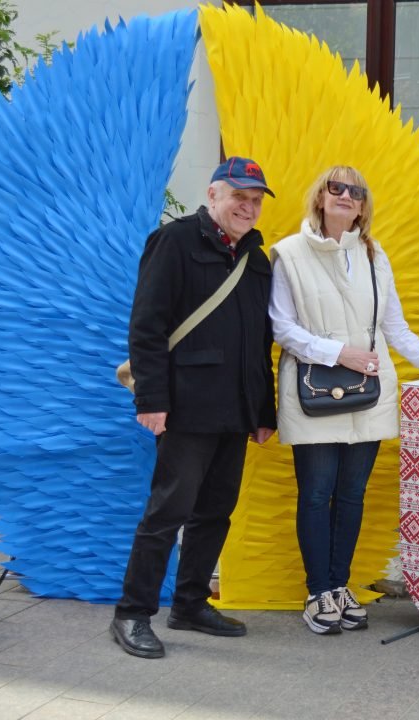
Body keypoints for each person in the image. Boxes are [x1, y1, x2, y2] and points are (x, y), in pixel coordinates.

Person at [269, 165, 419, 635]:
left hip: (367, 389)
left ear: (363, 205)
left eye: (356, 191)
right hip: (314, 388)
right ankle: (317, 590)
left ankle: (340, 585)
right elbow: (281, 326)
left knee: (351, 494)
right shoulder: (288, 253)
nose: (346, 195)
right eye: (335, 187)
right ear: (320, 197)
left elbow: (395, 329)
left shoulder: (372, 253)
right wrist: (338, 351)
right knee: (317, 492)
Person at [110, 157, 278, 659]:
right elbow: (147, 326)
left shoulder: (256, 257)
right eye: (238, 197)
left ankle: (189, 603)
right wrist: (152, 400)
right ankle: (132, 614)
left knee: (215, 512)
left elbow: (260, 340)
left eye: (254, 200)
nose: (246, 207)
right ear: (213, 195)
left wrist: (263, 411)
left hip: (235, 409)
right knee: (167, 512)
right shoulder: (175, 242)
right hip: (184, 408)